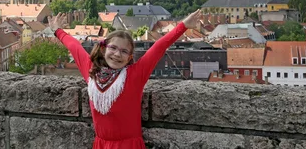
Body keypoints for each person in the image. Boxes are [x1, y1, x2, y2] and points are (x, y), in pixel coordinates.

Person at [48, 9, 202, 149]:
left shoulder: (135, 75)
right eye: (113, 48)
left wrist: (184, 25)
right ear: (103, 49)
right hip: (101, 144)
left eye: (123, 51)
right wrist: (57, 30)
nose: (117, 54)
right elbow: (74, 46)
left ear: (129, 57)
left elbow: (159, 47)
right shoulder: (91, 70)